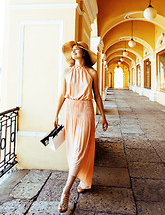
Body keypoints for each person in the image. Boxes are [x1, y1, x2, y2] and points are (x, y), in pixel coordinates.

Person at [54, 41, 108, 213]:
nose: (75, 51)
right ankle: (83, 180)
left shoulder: (92, 72)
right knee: (72, 149)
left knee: (79, 149)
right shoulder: (66, 72)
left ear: (84, 53)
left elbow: (97, 96)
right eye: (73, 50)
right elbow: (62, 94)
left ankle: (66, 191)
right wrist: (55, 114)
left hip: (86, 109)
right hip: (69, 110)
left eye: (78, 49)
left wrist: (104, 116)